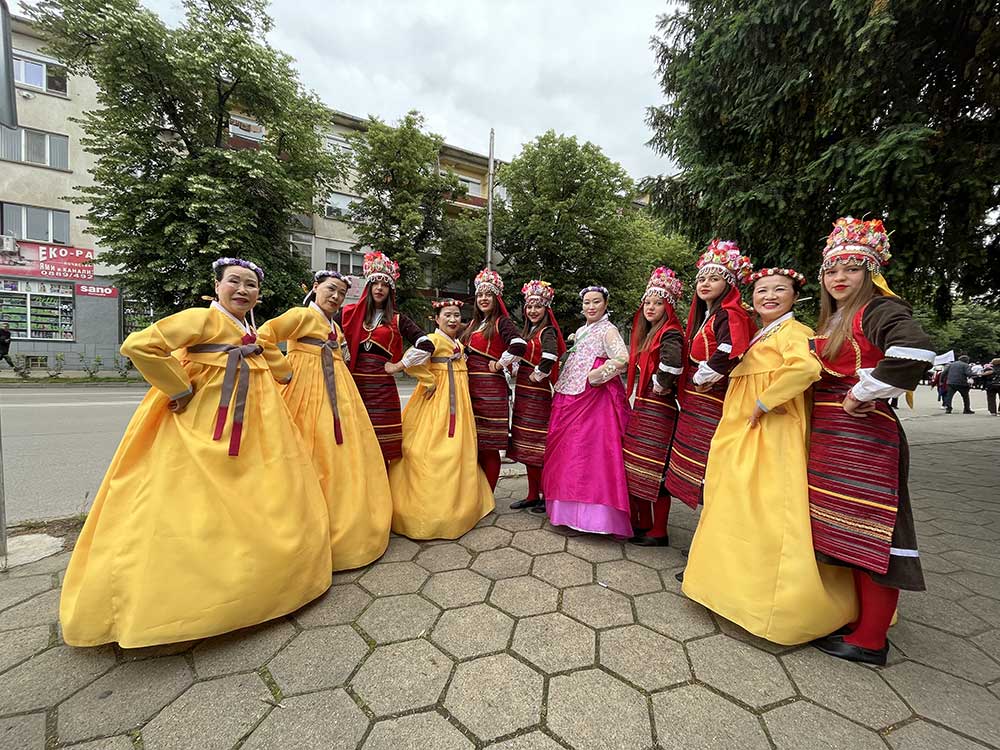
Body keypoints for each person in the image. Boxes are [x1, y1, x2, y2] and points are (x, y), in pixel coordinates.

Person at [60, 258, 332, 648]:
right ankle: (188, 597)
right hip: (205, 415)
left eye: (251, 285)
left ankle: (263, 578)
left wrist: (284, 371)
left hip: (261, 416)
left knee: (264, 489)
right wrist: (179, 386)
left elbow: (270, 358)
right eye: (234, 282)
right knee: (191, 496)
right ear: (217, 285)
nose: (242, 290)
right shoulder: (199, 319)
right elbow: (140, 344)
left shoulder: (248, 327)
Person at [681, 267, 857, 645]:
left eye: (780, 290)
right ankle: (725, 587)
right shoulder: (760, 334)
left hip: (771, 430)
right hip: (740, 428)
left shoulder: (796, 332)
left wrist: (765, 401)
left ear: (796, 295)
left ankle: (775, 605)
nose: (769, 296)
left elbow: (806, 367)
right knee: (731, 503)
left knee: (769, 509)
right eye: (762, 291)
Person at [807, 217, 935, 666]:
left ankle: (872, 638)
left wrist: (862, 392)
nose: (839, 278)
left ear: (871, 272)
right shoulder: (840, 316)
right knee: (848, 529)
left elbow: (915, 350)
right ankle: (861, 622)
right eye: (832, 270)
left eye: (852, 268)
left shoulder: (879, 309)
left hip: (866, 437)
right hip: (834, 440)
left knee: (876, 529)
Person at [259, 270, 393, 571]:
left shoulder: (334, 324)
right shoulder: (299, 315)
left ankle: (344, 522)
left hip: (339, 391)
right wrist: (284, 370)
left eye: (342, 294)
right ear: (316, 287)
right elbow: (264, 337)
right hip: (305, 387)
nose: (335, 297)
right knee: (309, 448)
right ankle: (308, 527)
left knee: (341, 450)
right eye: (331, 290)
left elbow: (343, 353)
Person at [389, 299, 495, 539]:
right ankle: (427, 511)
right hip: (437, 399)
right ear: (436, 319)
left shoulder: (457, 342)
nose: (452, 319)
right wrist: (427, 380)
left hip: (459, 400)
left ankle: (462, 507)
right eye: (447, 315)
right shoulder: (433, 340)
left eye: (457, 315)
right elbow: (412, 361)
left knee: (460, 449)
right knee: (430, 450)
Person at [664, 240, 755, 510]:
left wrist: (706, 375)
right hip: (697, 397)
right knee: (693, 458)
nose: (705, 283)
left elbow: (730, 348)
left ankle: (712, 530)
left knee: (708, 460)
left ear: (728, 284)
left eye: (714, 278)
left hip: (711, 395)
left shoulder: (728, 314)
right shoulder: (710, 315)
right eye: (701, 278)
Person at [542, 286, 632, 536]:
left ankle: (595, 519)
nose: (591, 307)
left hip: (595, 400)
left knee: (591, 454)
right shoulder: (582, 331)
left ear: (605, 305)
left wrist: (597, 376)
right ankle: (567, 514)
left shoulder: (609, 330)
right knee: (569, 453)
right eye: (587, 303)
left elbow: (623, 359)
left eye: (596, 302)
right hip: (570, 397)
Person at [340, 251, 435, 463]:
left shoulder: (398, 319)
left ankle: (383, 493)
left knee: (382, 448)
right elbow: (324, 326)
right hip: (354, 386)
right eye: (376, 283)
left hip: (383, 390)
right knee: (356, 446)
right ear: (369, 286)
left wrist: (400, 365)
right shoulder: (349, 313)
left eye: (385, 284)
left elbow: (427, 344)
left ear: (390, 289)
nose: (380, 288)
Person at [623, 268, 685, 546]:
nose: (651, 308)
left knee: (656, 466)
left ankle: (659, 530)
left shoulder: (670, 332)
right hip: (644, 406)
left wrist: (662, 382)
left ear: (668, 306)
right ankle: (643, 522)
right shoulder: (649, 334)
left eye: (658, 303)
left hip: (659, 407)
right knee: (637, 463)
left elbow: (673, 361)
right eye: (648, 302)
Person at [461, 268, 527, 491]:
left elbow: (519, 345)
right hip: (469, 389)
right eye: (480, 295)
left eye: (488, 294)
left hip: (491, 392)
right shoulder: (472, 325)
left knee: (488, 445)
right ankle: (476, 493)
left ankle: (487, 493)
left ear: (496, 297)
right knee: (475, 444)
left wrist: (499, 364)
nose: (483, 299)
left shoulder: (501, 322)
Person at [508, 280, 566, 510]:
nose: (532, 311)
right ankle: (532, 494)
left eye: (538, 307)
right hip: (523, 393)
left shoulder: (547, 330)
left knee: (538, 445)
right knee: (525, 444)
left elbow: (551, 355)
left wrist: (538, 374)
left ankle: (545, 494)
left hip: (537, 394)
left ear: (546, 309)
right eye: (529, 307)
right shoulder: (528, 331)